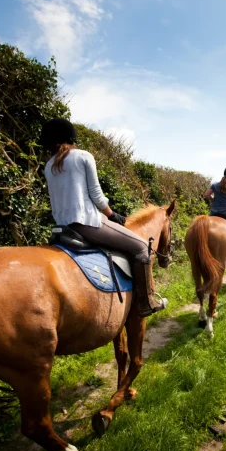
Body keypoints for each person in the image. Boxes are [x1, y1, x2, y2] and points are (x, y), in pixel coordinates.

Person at [41, 118, 167, 317]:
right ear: (71, 137)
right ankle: (146, 302)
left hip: (62, 227)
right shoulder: (83, 156)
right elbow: (96, 195)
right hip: (87, 223)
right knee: (143, 247)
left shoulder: (48, 166)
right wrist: (111, 214)